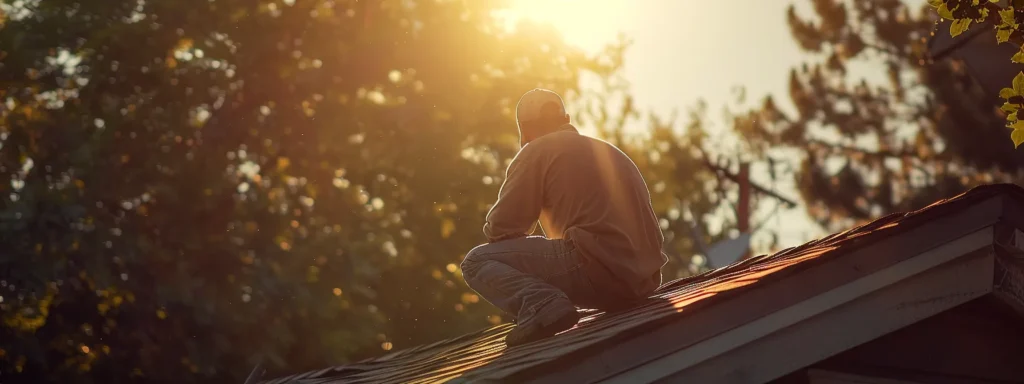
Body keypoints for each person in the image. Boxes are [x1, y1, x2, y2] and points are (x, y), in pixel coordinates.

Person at [460, 88, 667, 347]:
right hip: (642, 283)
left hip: (597, 272)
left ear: (525, 129)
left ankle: (541, 304)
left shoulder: (537, 150)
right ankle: (547, 304)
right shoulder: (609, 151)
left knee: (476, 261)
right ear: (565, 119)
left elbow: (502, 228)